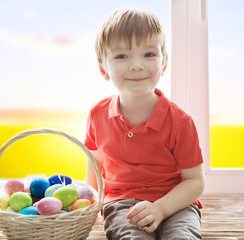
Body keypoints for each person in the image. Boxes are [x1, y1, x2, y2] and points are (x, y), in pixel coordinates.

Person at [84, 9, 205, 239]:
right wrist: (88, 202)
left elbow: (195, 182)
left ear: (164, 63)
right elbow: (95, 163)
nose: (137, 65)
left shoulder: (180, 122)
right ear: (103, 68)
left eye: (149, 54)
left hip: (176, 202)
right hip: (122, 204)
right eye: (122, 56)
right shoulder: (97, 114)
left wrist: (160, 208)